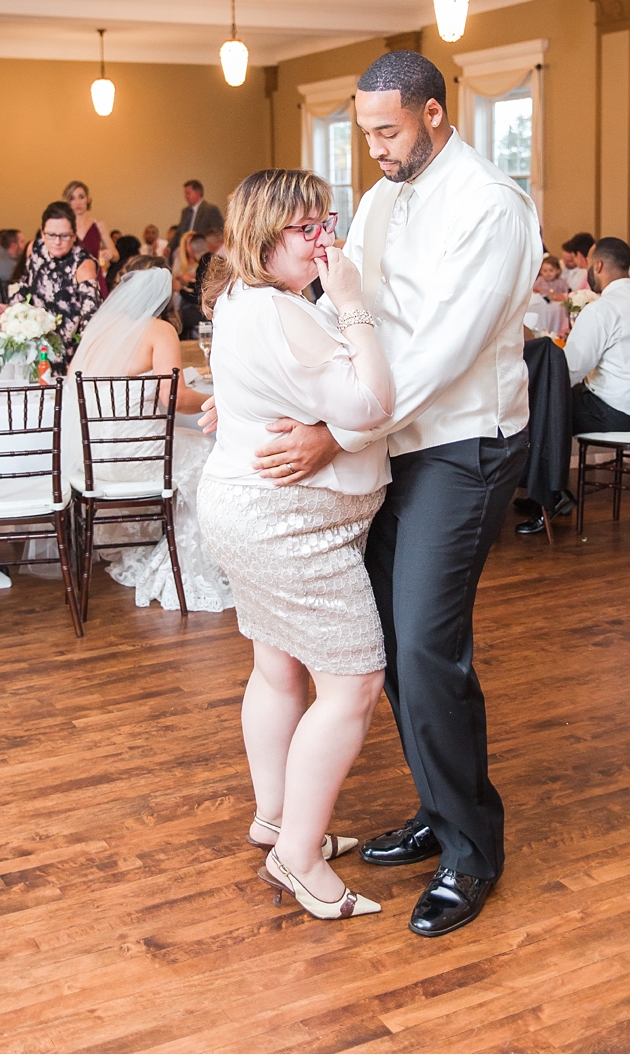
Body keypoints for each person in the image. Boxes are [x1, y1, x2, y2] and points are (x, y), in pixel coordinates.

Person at [227, 50, 537, 937]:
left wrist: (335, 433)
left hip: (462, 445)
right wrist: (268, 398)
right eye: (363, 131)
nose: (373, 149)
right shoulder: (378, 196)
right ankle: (443, 810)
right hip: (391, 442)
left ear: (436, 114)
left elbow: (438, 355)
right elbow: (337, 308)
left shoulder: (492, 208)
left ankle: (473, 849)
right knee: (390, 644)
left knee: (428, 650)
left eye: (387, 131)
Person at [197, 168, 395, 920]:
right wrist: (353, 306)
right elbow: (374, 403)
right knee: (353, 682)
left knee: (277, 666)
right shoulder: (298, 314)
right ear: (261, 238)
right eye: (306, 229)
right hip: (286, 526)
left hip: (243, 511)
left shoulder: (245, 299)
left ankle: (276, 815)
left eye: (326, 221)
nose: (325, 239)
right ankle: (299, 856)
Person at [63, 263, 230, 612]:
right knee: (211, 451)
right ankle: (199, 562)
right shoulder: (159, 331)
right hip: (143, 461)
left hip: (95, 461)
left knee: (186, 441)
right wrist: (221, 401)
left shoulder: (100, 332)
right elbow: (177, 400)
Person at [563, 236, 630, 434]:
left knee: (544, 403)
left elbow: (571, 369)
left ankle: (549, 465)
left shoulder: (601, 309)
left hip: (612, 411)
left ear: (598, 266)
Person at [23, 201, 100, 374]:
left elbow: (91, 316)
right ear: (42, 233)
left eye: (64, 235)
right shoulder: (35, 249)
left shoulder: (83, 263)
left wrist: (80, 360)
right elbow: (25, 285)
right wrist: (12, 311)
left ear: (74, 236)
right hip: (35, 341)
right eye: (51, 235)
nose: (57, 241)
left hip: (68, 349)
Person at [63, 180, 117, 287]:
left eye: (81, 197)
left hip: (95, 280)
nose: (78, 202)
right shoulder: (64, 227)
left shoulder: (98, 225)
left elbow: (116, 255)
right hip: (70, 281)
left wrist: (110, 253)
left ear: (88, 199)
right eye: (72, 198)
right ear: (68, 202)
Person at [169, 179, 223, 250]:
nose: (185, 197)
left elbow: (218, 231)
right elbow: (179, 233)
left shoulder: (210, 209)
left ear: (198, 193)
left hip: (203, 250)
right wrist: (169, 247)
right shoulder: (185, 211)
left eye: (188, 193)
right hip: (185, 251)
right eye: (185, 194)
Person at [527, 254, 570, 339]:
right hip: (543, 306)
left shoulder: (561, 283)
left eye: (551, 270)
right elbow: (534, 290)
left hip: (555, 309)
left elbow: (566, 293)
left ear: (557, 271)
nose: (548, 273)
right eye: (545, 271)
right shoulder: (540, 281)